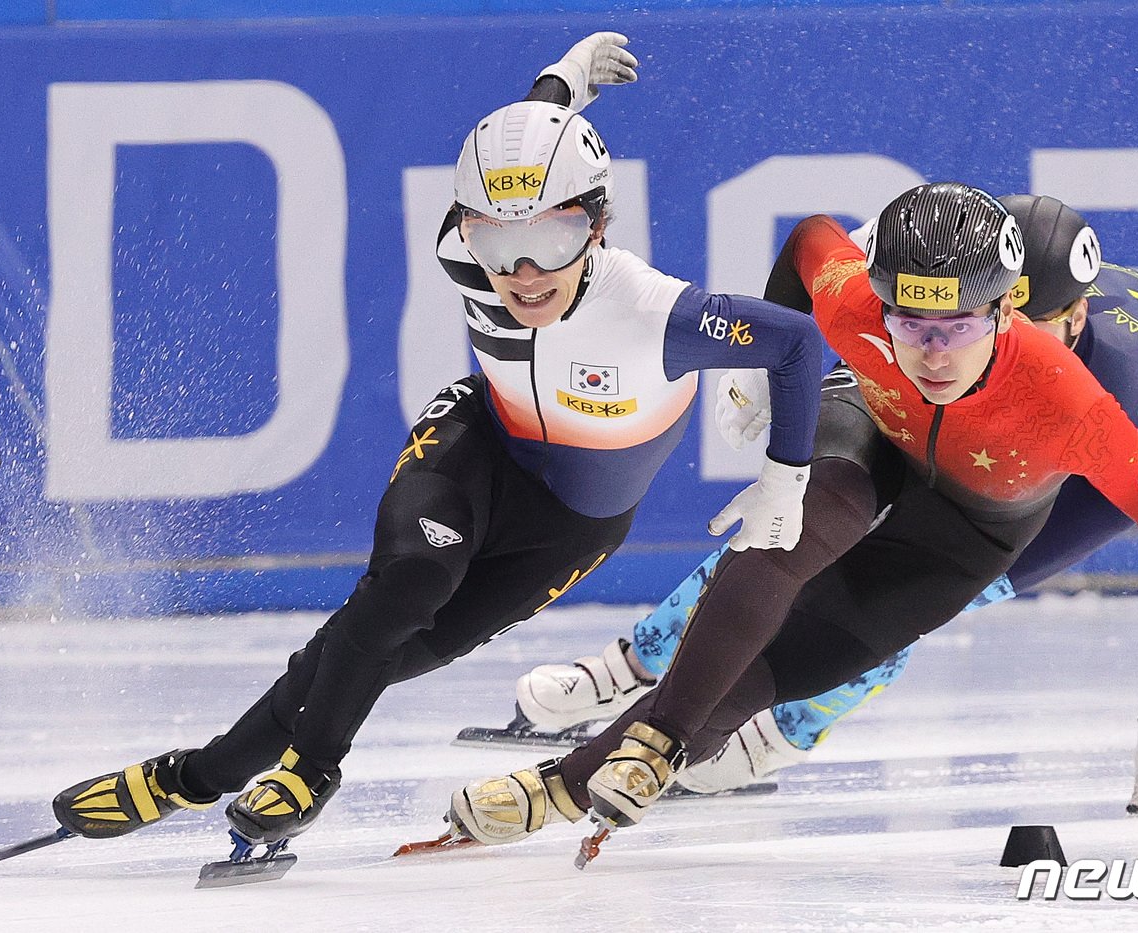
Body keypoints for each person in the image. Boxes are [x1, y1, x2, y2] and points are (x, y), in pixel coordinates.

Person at [48, 33, 824, 853]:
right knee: (402, 588)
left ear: (597, 226)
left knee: (384, 651)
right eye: (495, 242)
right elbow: (526, 156)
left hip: (570, 522)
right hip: (478, 443)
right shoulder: (466, 249)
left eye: (553, 243)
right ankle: (307, 772)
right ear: (465, 230)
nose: (523, 273)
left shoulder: (652, 312)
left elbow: (797, 343)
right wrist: (558, 85)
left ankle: (193, 775)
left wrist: (787, 475)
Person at [446, 181, 1138, 858]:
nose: (935, 355)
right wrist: (767, 383)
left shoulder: (1093, 406)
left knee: (838, 633)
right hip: (888, 423)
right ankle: (637, 680)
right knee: (787, 525)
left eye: (957, 327)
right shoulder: (861, 310)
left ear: (1010, 316)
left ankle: (711, 747)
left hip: (1002, 499)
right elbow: (810, 239)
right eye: (911, 324)